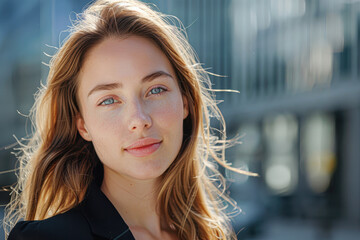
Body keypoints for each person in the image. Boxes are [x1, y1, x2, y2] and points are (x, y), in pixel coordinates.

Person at [4, 0, 254, 239]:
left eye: (156, 90)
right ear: (82, 125)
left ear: (185, 102)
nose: (139, 119)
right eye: (109, 100)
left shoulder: (211, 233)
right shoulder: (48, 238)